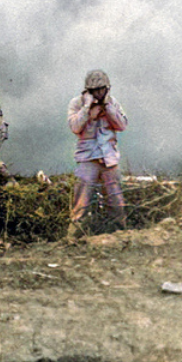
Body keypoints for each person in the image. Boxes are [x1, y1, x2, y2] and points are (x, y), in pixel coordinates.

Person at [66, 69, 128, 237]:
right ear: (88, 90)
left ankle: (120, 234)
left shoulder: (113, 103)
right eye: (95, 90)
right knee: (82, 199)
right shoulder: (77, 103)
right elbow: (75, 127)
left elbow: (122, 125)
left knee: (116, 201)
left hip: (109, 158)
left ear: (107, 88)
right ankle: (74, 236)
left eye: (102, 89)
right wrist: (87, 108)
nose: (99, 93)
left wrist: (108, 107)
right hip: (88, 158)